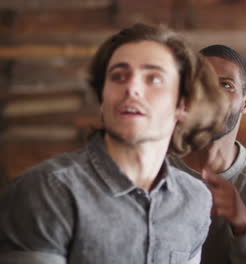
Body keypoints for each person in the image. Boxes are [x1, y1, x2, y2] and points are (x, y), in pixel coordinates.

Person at [0, 24, 229, 264]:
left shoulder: (196, 199)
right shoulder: (46, 190)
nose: (132, 88)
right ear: (102, 99)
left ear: (183, 104)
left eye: (154, 78)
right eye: (118, 76)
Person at [169, 44, 246, 264]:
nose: (213, 94)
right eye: (203, 83)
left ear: (245, 103)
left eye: (226, 85)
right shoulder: (157, 167)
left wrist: (244, 222)